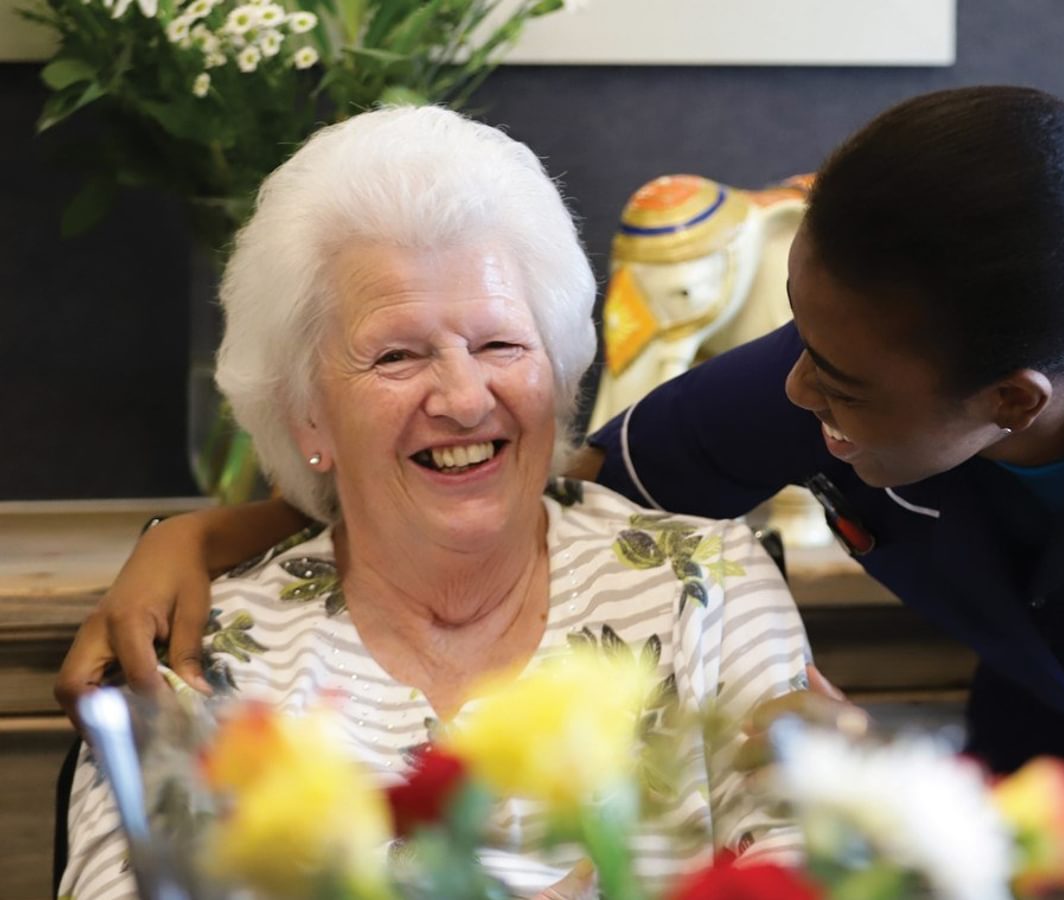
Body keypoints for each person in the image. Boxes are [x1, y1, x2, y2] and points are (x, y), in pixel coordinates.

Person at [59, 87, 1064, 899]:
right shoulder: (823, 372)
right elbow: (509, 466)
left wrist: (923, 804)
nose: (790, 396)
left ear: (1006, 403)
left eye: (836, 382)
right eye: (799, 333)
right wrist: (219, 526)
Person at [59, 106, 811, 900]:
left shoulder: (707, 588)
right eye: (397, 355)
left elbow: (811, 868)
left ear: (558, 375)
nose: (464, 398)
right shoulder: (199, 654)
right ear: (305, 413)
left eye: (500, 344)